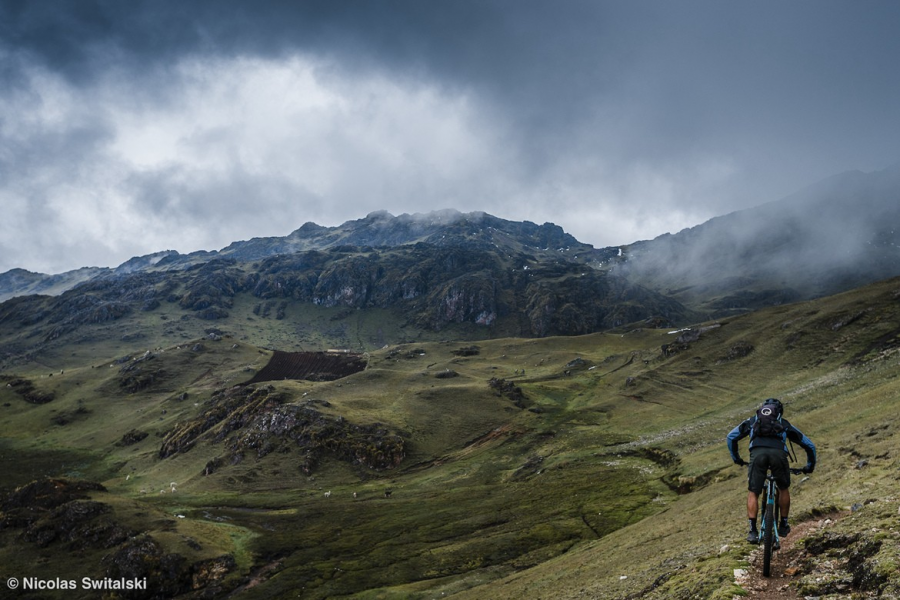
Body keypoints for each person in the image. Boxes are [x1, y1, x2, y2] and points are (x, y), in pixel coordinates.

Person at [726, 398, 816, 543]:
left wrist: (736, 458)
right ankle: (783, 524)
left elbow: (731, 437)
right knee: (783, 488)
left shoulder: (752, 421)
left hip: (757, 455)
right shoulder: (783, 423)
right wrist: (809, 466)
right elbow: (809, 445)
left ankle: (752, 531)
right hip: (778, 455)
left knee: (753, 492)